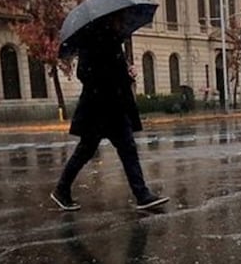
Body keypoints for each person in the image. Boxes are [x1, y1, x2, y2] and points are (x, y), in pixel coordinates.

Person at [50, 12, 169, 211]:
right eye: (119, 19)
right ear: (110, 20)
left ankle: (142, 194)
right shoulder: (94, 41)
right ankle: (61, 190)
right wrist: (118, 74)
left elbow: (114, 72)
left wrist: (126, 73)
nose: (122, 22)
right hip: (98, 108)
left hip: (113, 107)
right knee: (86, 151)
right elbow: (85, 74)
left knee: (126, 148)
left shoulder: (112, 41)